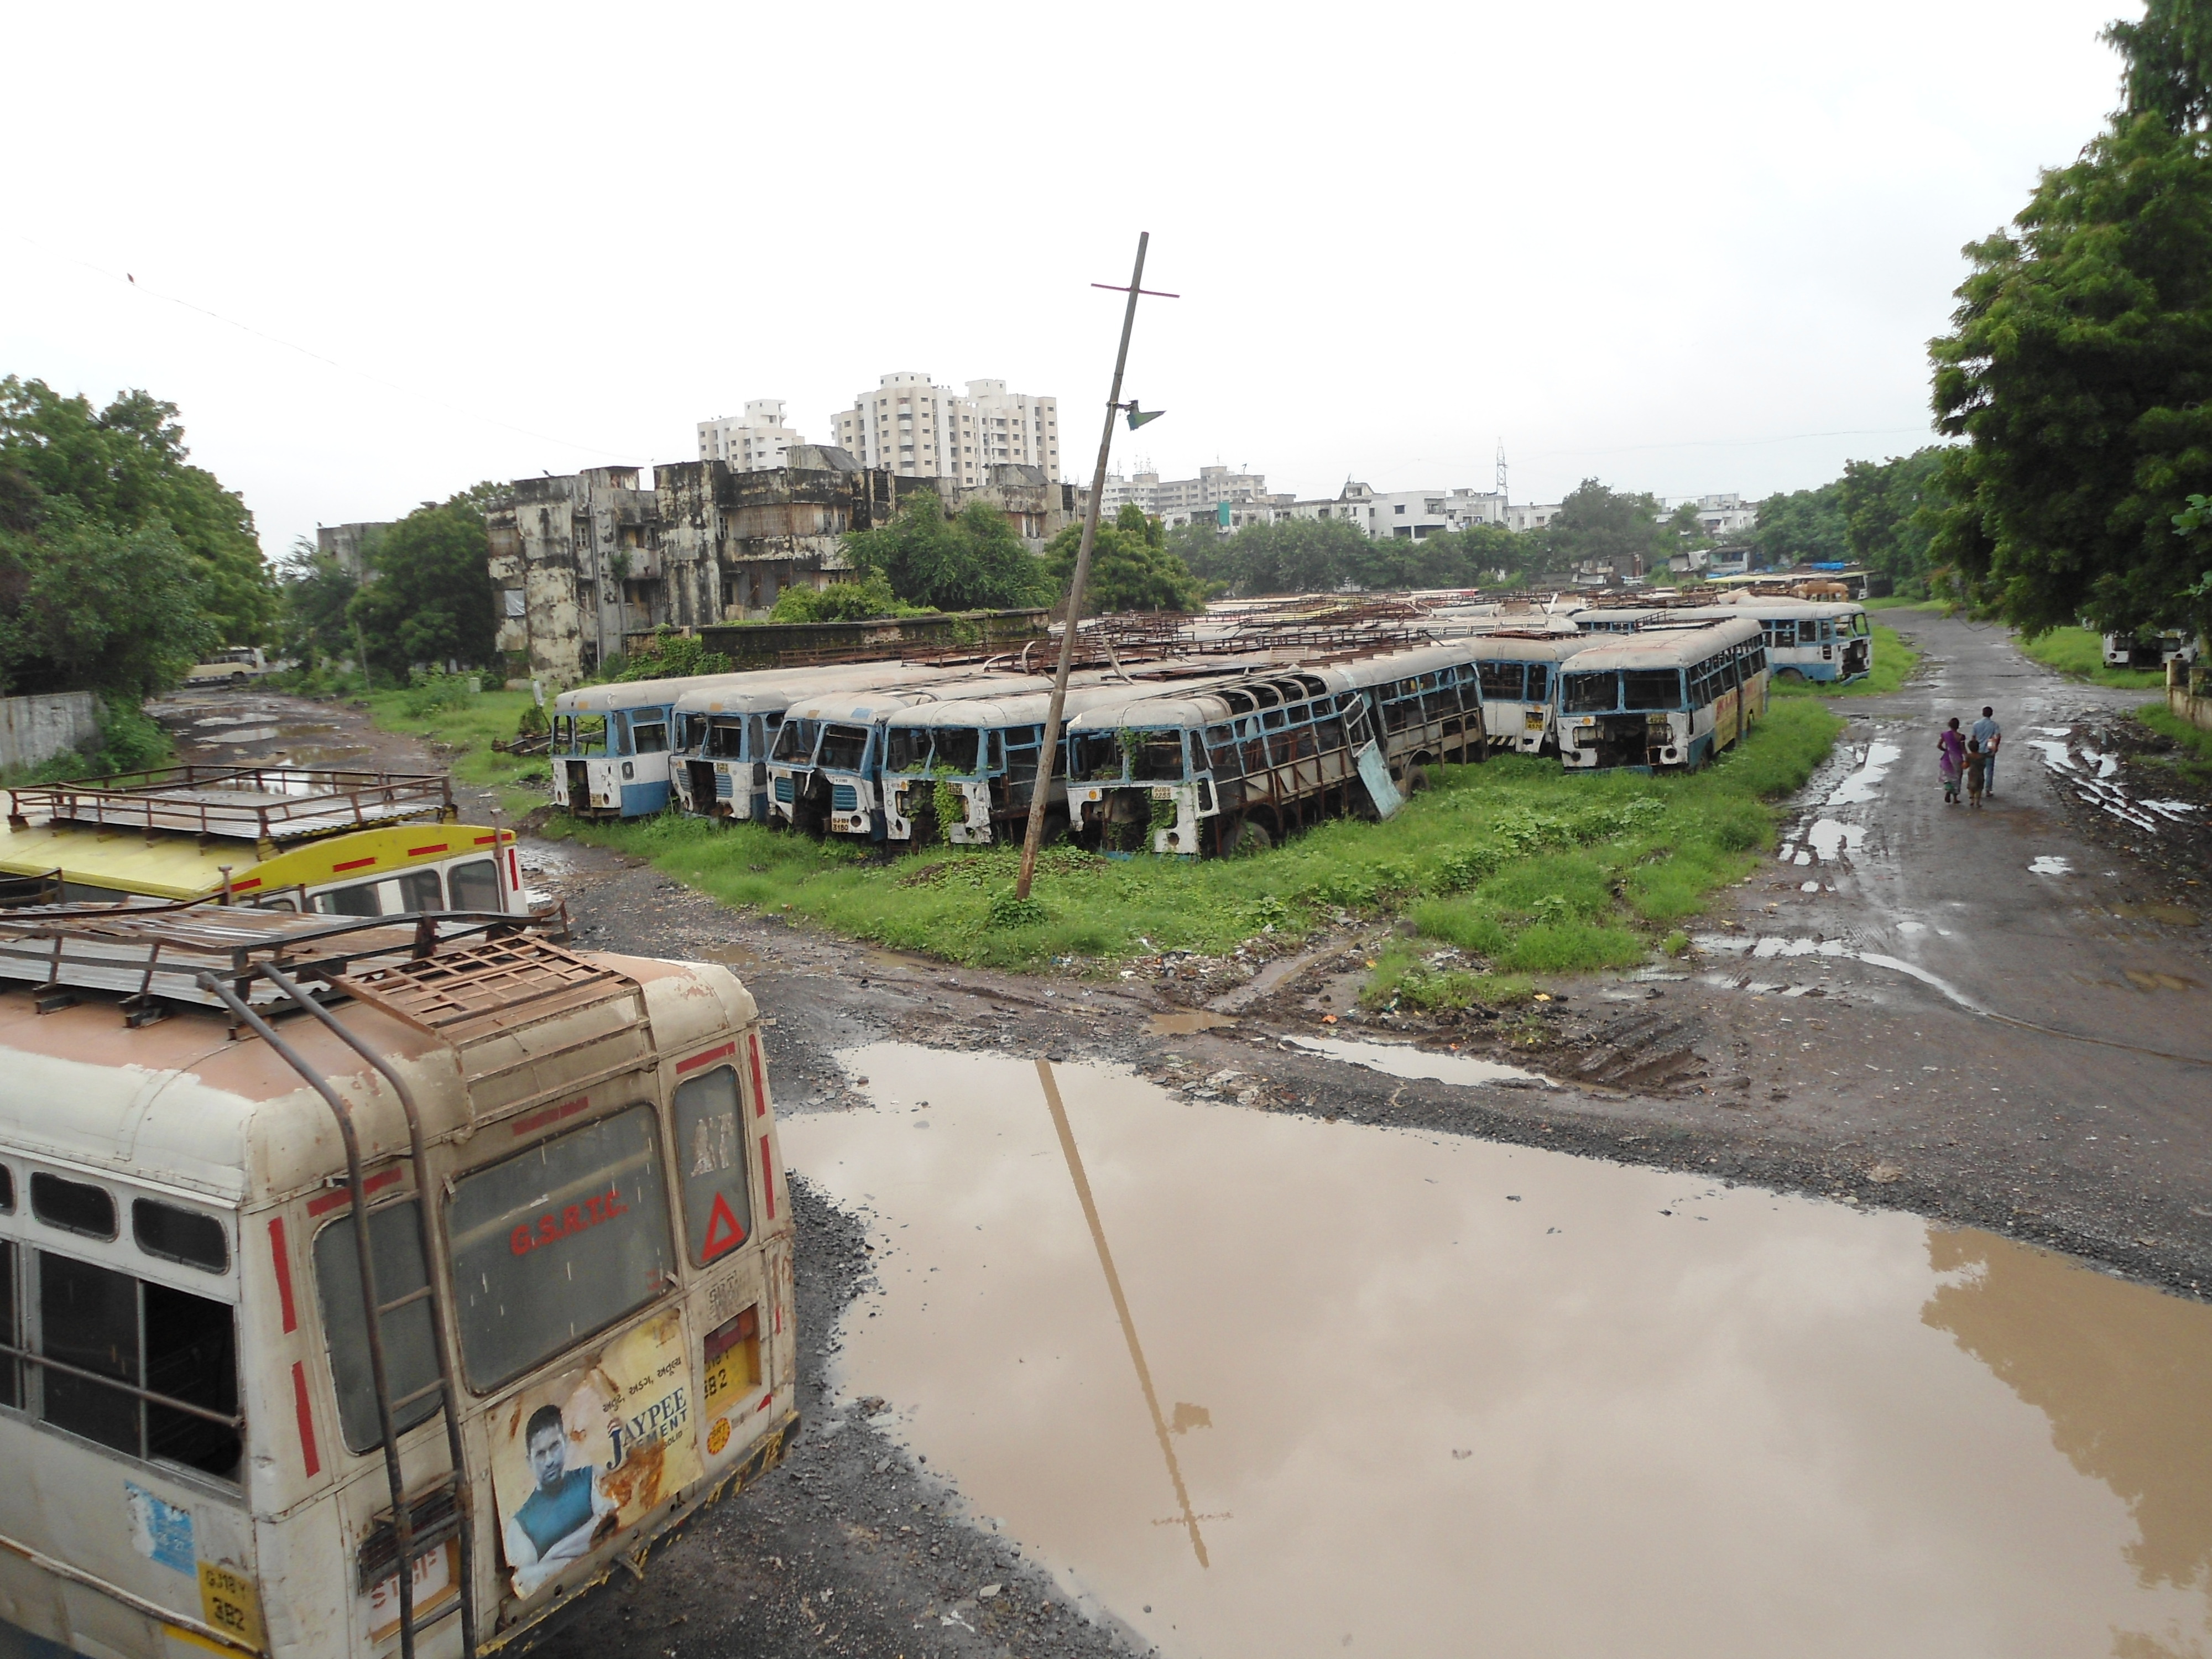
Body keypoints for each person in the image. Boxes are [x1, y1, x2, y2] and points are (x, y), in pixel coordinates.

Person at [505, 1404, 614, 1594]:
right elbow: (528, 1582)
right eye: (540, 1454)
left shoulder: (591, 1477)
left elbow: (611, 1525)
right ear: (529, 1462)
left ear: (566, 1442)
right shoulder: (519, 1526)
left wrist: (552, 1556)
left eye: (554, 1447)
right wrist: (588, 1539)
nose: (549, 1461)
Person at [1971, 705, 2002, 795]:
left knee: (1978, 770)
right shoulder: (1994, 725)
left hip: (1979, 749)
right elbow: (1998, 736)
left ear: (1983, 713)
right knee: (1989, 770)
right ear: (1991, 714)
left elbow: (1973, 737)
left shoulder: (1976, 724)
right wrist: (1996, 746)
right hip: (1989, 747)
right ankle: (1988, 790)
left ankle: (1977, 788)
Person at [1938, 717, 1966, 805]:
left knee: (1949, 777)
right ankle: (1955, 798)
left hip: (1947, 758)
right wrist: (1968, 758)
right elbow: (1963, 749)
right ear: (1958, 726)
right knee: (1957, 778)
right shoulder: (1961, 737)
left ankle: (1949, 789)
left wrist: (1946, 750)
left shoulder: (1945, 735)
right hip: (1957, 759)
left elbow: (1939, 746)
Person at [1964, 738, 1987, 808]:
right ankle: (1978, 802)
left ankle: (1972, 800)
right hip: (1980, 774)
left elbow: (1966, 765)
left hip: (1972, 774)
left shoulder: (1968, 756)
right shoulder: (1982, 756)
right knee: (1979, 788)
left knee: (1971, 787)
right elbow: (1984, 764)